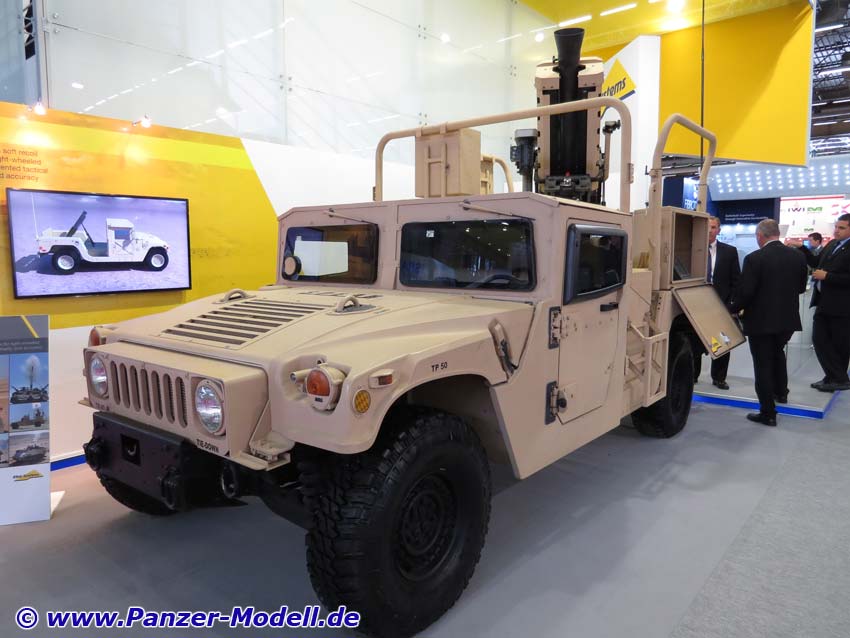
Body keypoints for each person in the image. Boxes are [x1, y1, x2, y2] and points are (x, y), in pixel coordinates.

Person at [732, 219, 807, 426]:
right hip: (788, 320)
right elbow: (801, 288)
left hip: (761, 322)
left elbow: (746, 293)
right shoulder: (798, 256)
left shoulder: (754, 258)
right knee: (777, 354)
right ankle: (781, 393)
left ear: (760, 236)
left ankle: (768, 413)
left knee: (762, 365)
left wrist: (732, 309)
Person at [786, 213, 850, 392]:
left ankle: (837, 379)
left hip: (842, 306)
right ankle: (835, 377)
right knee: (820, 339)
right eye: (836, 227)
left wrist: (828, 276)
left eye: (841, 228)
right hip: (824, 302)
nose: (836, 231)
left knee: (839, 345)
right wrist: (802, 248)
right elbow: (816, 261)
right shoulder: (832, 244)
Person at [694, 216, 740, 389]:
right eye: (707, 227)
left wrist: (731, 305)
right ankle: (693, 375)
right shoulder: (692, 249)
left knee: (722, 342)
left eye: (713, 227)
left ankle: (719, 377)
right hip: (696, 304)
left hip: (721, 305)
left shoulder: (729, 251)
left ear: (719, 230)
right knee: (695, 341)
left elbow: (736, 281)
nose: (709, 230)